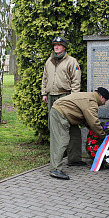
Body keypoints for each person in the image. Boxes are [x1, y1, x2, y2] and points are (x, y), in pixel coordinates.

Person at [49, 87, 109, 180]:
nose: (104, 103)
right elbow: (93, 122)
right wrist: (103, 136)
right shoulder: (91, 102)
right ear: (101, 97)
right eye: (105, 100)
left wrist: (94, 130)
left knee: (75, 136)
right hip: (59, 114)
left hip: (68, 116)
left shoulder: (90, 98)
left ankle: (74, 159)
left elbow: (87, 120)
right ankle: (55, 169)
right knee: (61, 140)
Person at [41, 36, 83, 166]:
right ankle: (58, 156)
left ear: (64, 47)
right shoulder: (49, 61)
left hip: (65, 96)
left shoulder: (71, 61)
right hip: (51, 96)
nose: (56, 47)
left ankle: (74, 158)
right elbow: (45, 77)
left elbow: (76, 81)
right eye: (54, 45)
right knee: (54, 127)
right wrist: (44, 93)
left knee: (71, 126)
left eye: (59, 45)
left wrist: (73, 98)